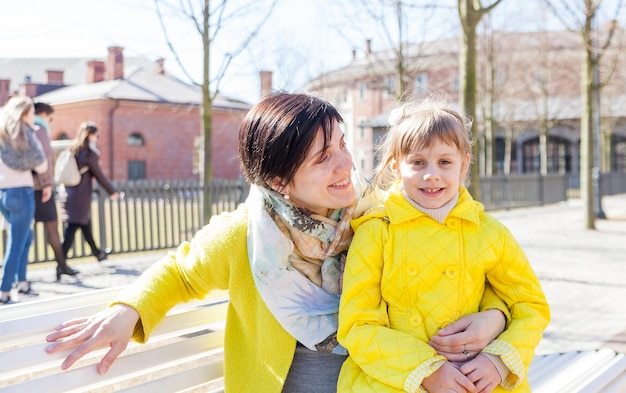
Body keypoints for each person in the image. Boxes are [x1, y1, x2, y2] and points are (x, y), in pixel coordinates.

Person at [46, 93, 508, 392]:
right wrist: (128, 311)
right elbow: (181, 271)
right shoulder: (246, 236)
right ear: (278, 178)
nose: (345, 163)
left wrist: (495, 317)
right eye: (323, 157)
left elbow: (458, 271)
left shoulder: (381, 213)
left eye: (343, 144)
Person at [337, 97, 550, 393]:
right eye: (418, 162)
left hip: (478, 380)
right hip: (398, 380)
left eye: (445, 162)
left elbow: (530, 305)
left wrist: (499, 361)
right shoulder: (376, 232)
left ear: (464, 164)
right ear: (397, 166)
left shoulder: (490, 232)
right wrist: (424, 370)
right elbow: (357, 325)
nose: (432, 174)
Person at [0, 96, 48, 305]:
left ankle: (23, 284)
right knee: (17, 243)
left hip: (4, 194)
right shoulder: (27, 134)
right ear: (25, 113)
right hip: (22, 193)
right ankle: (3, 292)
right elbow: (42, 165)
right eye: (32, 112)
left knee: (25, 237)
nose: (34, 116)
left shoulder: (2, 132)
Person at [58, 121, 119, 262]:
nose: (97, 138)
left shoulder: (73, 149)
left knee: (84, 225)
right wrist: (112, 191)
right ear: (90, 135)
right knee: (73, 227)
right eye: (97, 135)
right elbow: (99, 175)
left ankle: (98, 254)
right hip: (80, 196)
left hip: (68, 193)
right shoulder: (88, 154)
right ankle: (61, 261)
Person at [32, 102, 79, 280]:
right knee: (52, 227)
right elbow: (42, 160)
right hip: (41, 188)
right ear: (43, 114)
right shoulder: (39, 130)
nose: (50, 122)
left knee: (27, 233)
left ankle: (61, 265)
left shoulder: (28, 129)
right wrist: (46, 183)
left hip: (32, 187)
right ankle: (62, 265)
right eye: (50, 118)